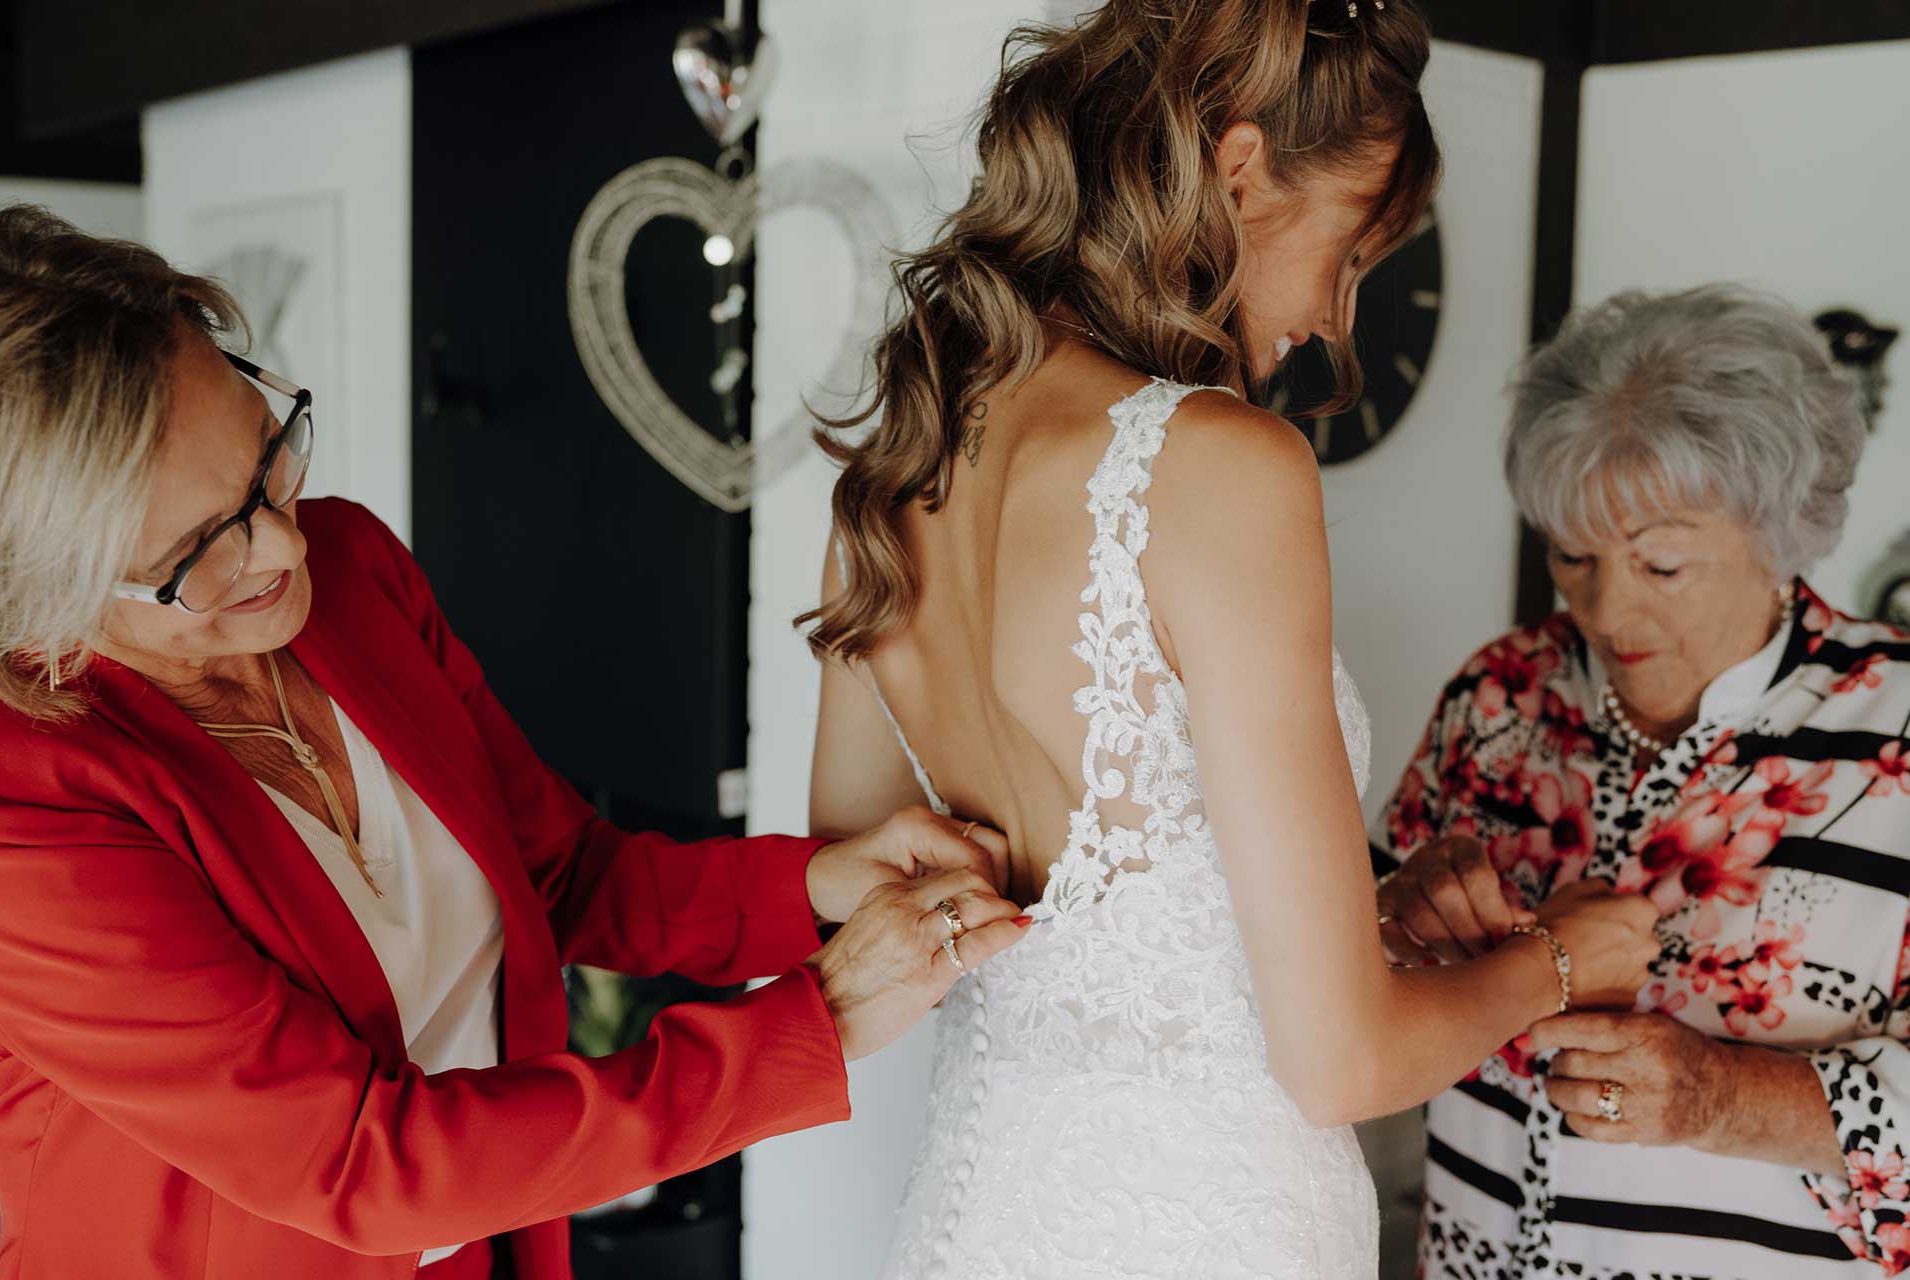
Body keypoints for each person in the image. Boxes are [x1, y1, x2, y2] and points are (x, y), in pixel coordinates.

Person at [0, 204, 1028, 1280]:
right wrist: (820, 1021)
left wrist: (815, 887)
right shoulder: (17, 809)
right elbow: (356, 1156)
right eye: (203, 548)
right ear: (40, 597)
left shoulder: (349, 572)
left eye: (268, 459)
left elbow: (559, 870)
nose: (283, 541)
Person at [800, 2, 1660, 1276]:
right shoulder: (1219, 465)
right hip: (1212, 1222)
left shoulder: (898, 469)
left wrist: (1358, 916)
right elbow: (1340, 1062)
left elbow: (852, 889)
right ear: (1240, 169)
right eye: (1349, 255)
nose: (1331, 323)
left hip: (979, 1220)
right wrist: (1556, 957)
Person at [1373, 285, 1908, 1279]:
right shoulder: (1499, 696)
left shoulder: (1900, 728)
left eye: (1661, 564)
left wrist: (1719, 1093)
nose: (1607, 608)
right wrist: (1399, 915)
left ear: (1782, 533)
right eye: (1572, 554)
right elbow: (1360, 987)